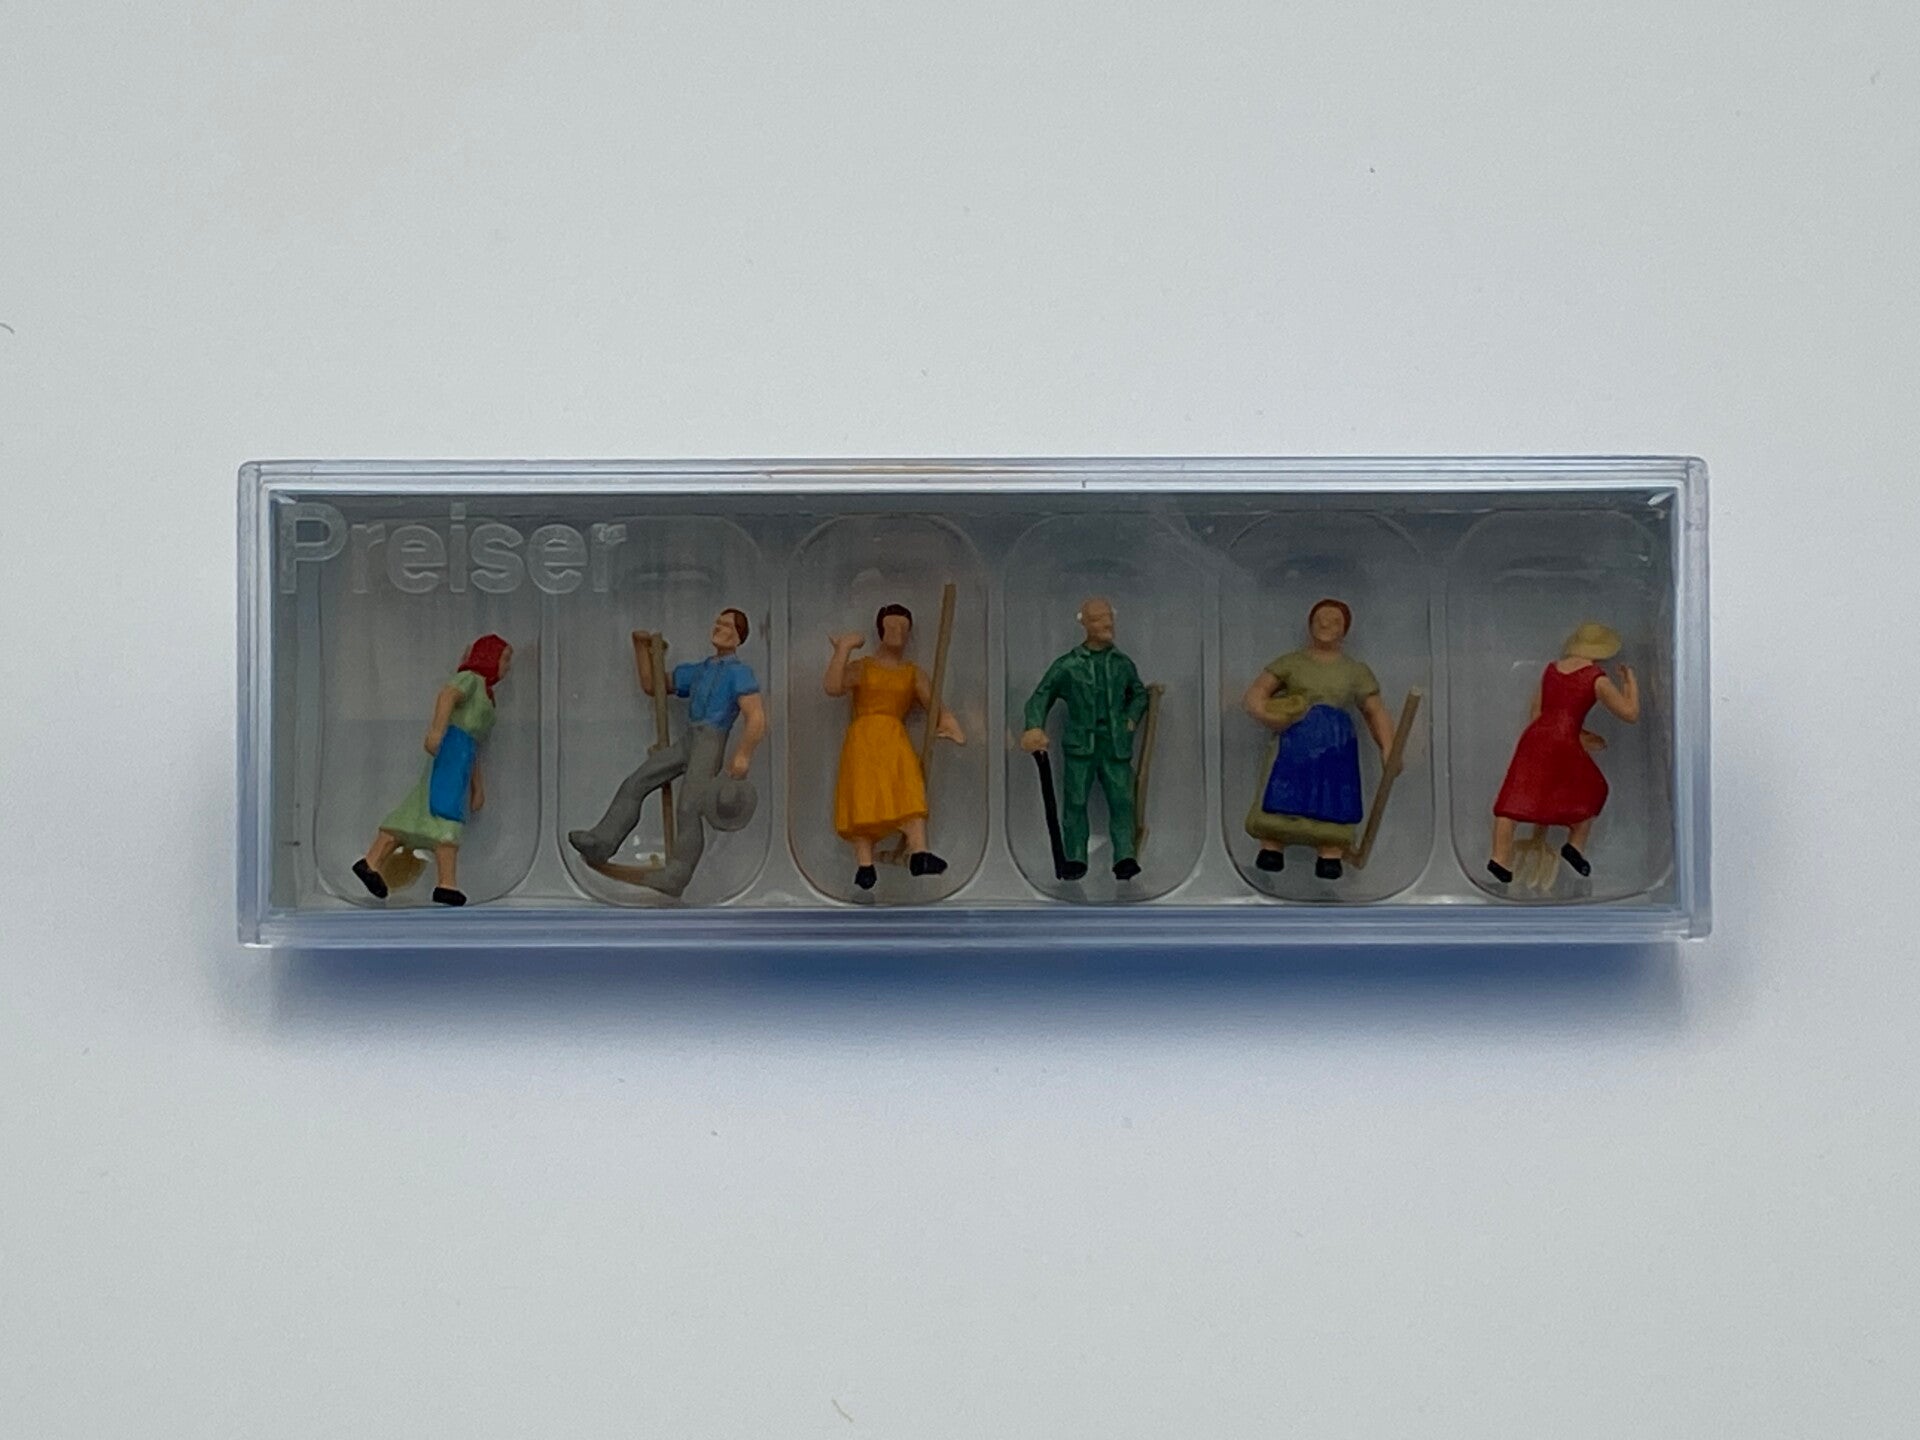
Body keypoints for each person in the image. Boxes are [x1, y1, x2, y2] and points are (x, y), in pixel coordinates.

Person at [568, 607, 767, 897]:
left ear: (738, 637)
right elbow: (654, 685)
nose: (718, 628)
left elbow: (756, 717)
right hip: (689, 738)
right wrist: (641, 648)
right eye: (717, 622)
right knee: (636, 782)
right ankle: (602, 841)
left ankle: (677, 873)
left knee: (689, 808)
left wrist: (744, 754)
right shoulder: (700, 670)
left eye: (726, 625)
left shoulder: (740, 673)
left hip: (711, 741)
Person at [353, 633, 512, 907]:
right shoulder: (470, 679)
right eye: (505, 659)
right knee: (444, 813)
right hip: (449, 751)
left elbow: (475, 745)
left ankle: (373, 861)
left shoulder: (487, 697)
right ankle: (445, 884)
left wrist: (477, 786)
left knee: (420, 808)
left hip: (462, 756)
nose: (506, 667)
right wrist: (437, 730)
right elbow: (447, 695)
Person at [1242, 599, 1393, 881]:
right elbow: (1256, 694)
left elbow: (1375, 711)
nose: (1326, 624)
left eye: (1334, 621)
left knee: (1333, 795)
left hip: (1336, 744)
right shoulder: (1292, 662)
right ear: (1310, 623)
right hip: (1296, 738)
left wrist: (1388, 748)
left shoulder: (1354, 670)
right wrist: (1267, 714)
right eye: (1320, 618)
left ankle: (1330, 850)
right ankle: (1272, 844)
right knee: (1284, 788)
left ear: (1345, 629)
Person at [825, 603, 966, 890]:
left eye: (903, 628)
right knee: (863, 798)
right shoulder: (864, 667)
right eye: (892, 626)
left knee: (909, 791)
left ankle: (919, 853)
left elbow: (934, 705)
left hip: (894, 737)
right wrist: (843, 649)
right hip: (863, 739)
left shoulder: (912, 673)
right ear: (881, 630)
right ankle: (865, 866)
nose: (897, 632)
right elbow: (833, 686)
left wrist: (949, 723)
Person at [1488, 621, 1640, 884]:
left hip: (1535, 736)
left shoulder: (1551, 670)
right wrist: (1630, 682)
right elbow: (1630, 713)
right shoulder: (1596, 678)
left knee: (1516, 796)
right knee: (1593, 788)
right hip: (1563, 740)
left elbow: (1537, 712)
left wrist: (1575, 734)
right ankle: (1575, 845)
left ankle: (1499, 858)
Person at [1020, 597, 1150, 881]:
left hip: (1115, 745)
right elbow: (1041, 695)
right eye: (1099, 619)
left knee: (1122, 801)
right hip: (1081, 746)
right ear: (1086, 624)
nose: (1107, 624)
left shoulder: (1122, 663)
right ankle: (1076, 857)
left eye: (1109, 617)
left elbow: (1139, 694)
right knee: (1076, 802)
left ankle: (1125, 856)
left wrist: (1130, 719)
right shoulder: (1068, 665)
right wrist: (1033, 726)